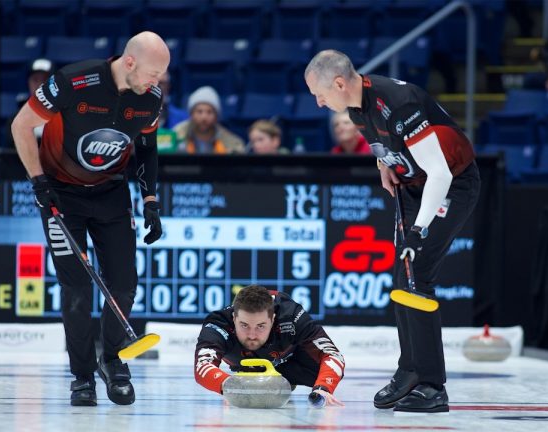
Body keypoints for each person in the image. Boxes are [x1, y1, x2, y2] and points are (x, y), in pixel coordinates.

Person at [304, 50, 479, 414]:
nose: (318, 102)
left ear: (339, 83)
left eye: (319, 94)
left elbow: (441, 175)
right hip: (413, 187)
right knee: (402, 280)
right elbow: (381, 143)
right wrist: (383, 163)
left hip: (450, 185)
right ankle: (410, 371)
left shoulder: (399, 103)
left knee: (417, 279)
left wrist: (418, 230)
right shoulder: (355, 107)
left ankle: (432, 386)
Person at [11, 31, 169, 407]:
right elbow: (20, 126)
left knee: (124, 284)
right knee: (78, 290)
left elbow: (147, 149)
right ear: (129, 62)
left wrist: (149, 199)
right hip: (61, 195)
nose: (156, 82)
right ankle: (82, 377)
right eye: (152, 73)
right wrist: (38, 182)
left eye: (161, 75)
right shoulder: (73, 82)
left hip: (112, 192)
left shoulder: (150, 99)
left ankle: (113, 361)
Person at [195, 284, 345, 407]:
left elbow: (332, 354)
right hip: (247, 369)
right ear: (234, 318)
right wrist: (228, 385)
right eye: (244, 325)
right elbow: (202, 365)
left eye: (260, 326)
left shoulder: (291, 316)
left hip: (292, 361)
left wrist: (323, 387)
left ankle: (289, 379)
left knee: (321, 372)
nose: (252, 335)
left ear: (273, 319)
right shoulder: (218, 324)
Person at [173, 85, 245, 154]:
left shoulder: (232, 143)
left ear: (216, 116)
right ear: (191, 114)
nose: (204, 117)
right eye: (199, 112)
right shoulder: (176, 136)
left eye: (209, 112)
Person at [6, 58, 54, 146]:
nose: (39, 84)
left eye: (44, 80)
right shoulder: (17, 118)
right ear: (28, 82)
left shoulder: (64, 116)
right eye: (35, 80)